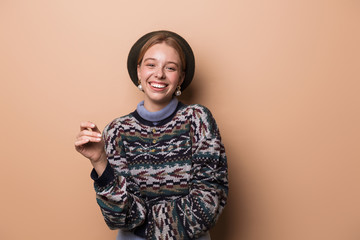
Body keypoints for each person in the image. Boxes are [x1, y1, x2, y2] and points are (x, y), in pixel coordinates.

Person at [75, 30, 228, 240]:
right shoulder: (116, 130)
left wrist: (141, 222)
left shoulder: (197, 119)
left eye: (171, 68)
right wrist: (100, 161)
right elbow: (118, 217)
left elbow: (207, 206)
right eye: (151, 64)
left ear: (181, 77)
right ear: (138, 71)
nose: (160, 74)